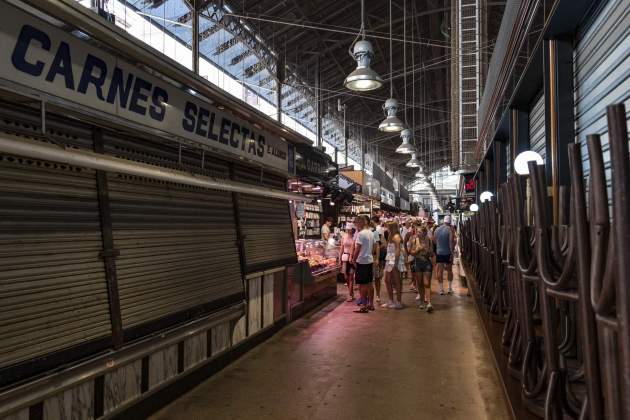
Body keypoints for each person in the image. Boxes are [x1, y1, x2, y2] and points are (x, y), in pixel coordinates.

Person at [351, 216, 375, 313]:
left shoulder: (361, 234)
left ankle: (363, 306)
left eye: (356, 223)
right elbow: (373, 247)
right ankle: (371, 304)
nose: (355, 226)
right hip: (369, 260)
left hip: (362, 261)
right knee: (369, 283)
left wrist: (353, 259)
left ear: (360, 223)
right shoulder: (371, 233)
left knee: (362, 285)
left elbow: (358, 248)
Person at [381, 221, 406, 309]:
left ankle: (398, 302)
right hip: (390, 258)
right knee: (388, 280)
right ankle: (391, 300)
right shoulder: (391, 235)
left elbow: (398, 249)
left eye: (388, 227)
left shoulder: (396, 236)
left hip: (393, 259)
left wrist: (395, 261)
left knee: (396, 280)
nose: (386, 228)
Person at [413, 225, 435, 312]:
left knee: (427, 283)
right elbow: (411, 252)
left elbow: (432, 253)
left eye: (419, 232)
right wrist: (417, 250)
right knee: (420, 283)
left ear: (424, 233)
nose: (418, 233)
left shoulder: (429, 240)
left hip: (426, 262)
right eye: (417, 232)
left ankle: (429, 302)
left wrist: (428, 251)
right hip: (417, 262)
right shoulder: (414, 240)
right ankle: (422, 301)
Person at [434, 215, 456, 295]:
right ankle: (450, 288)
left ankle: (441, 289)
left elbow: (434, 241)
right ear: (449, 222)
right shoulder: (449, 229)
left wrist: (439, 246)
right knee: (449, 270)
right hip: (447, 252)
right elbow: (450, 242)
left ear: (444, 221)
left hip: (439, 252)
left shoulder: (437, 229)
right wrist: (452, 253)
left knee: (440, 270)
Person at [339, 223, 356, 301]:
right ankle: (351, 292)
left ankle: (349, 294)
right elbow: (341, 248)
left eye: (350, 229)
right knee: (346, 277)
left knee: (351, 276)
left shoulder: (355, 237)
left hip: (352, 258)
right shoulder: (344, 237)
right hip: (345, 258)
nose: (348, 230)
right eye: (347, 229)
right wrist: (339, 259)